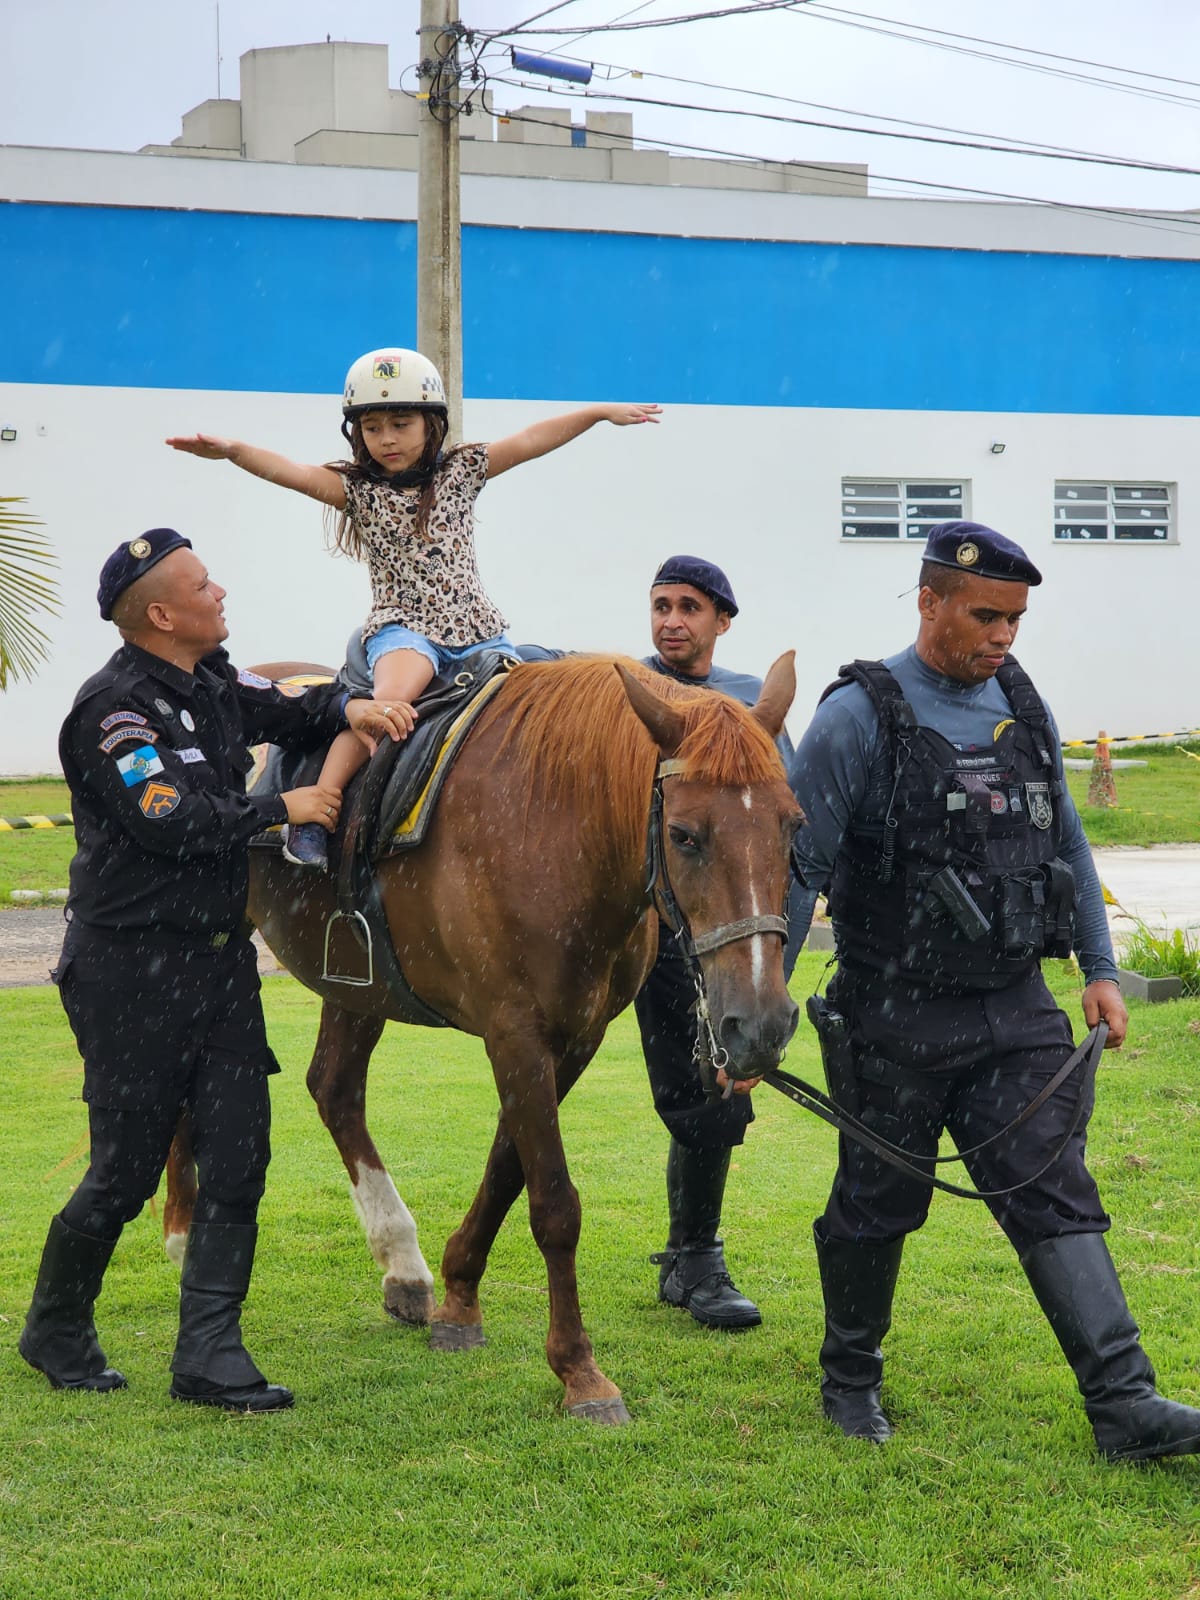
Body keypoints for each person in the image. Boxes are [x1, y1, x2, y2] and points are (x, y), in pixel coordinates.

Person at [787, 520, 1200, 1461]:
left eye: (1014, 618)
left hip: (1015, 1007)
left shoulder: (1022, 701)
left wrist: (1098, 970)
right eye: (985, 615)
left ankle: (1125, 1406)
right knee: (877, 1200)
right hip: (892, 1011)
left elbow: (1067, 842)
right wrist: (760, 1013)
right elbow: (797, 867)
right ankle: (850, 1379)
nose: (1003, 635)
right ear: (928, 600)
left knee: (1053, 1187)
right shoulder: (858, 714)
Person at [20, 527, 410, 1413]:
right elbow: (170, 819)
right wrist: (285, 807)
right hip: (128, 969)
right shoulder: (113, 712)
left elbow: (298, 708)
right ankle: (56, 1325)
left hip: (219, 966)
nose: (220, 591)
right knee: (124, 1171)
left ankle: (210, 1356)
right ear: (161, 613)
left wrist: (349, 710)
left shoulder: (218, 683)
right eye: (203, 585)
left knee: (239, 1158)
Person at [167, 347, 661, 870]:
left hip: (478, 630)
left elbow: (531, 441)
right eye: (373, 428)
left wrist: (596, 413)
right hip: (407, 630)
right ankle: (315, 814)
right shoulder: (357, 491)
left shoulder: (463, 471)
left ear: (432, 425)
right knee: (386, 710)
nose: (387, 439)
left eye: (401, 424)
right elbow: (290, 471)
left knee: (532, 715)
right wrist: (234, 450)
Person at [636, 555, 797, 1331]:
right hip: (625, 925)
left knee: (718, 1090)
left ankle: (694, 1258)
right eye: (662, 605)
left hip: (708, 935)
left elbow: (775, 829)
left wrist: (765, 956)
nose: (672, 620)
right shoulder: (627, 697)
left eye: (690, 607)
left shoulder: (750, 707)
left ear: (721, 621)